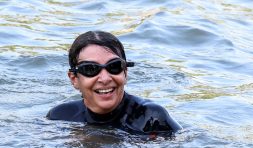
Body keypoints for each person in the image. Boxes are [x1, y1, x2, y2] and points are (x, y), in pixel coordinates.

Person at [47, 31, 181, 136]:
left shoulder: (151, 118)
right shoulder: (60, 117)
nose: (105, 78)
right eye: (90, 69)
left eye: (114, 67)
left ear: (125, 73)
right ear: (74, 79)